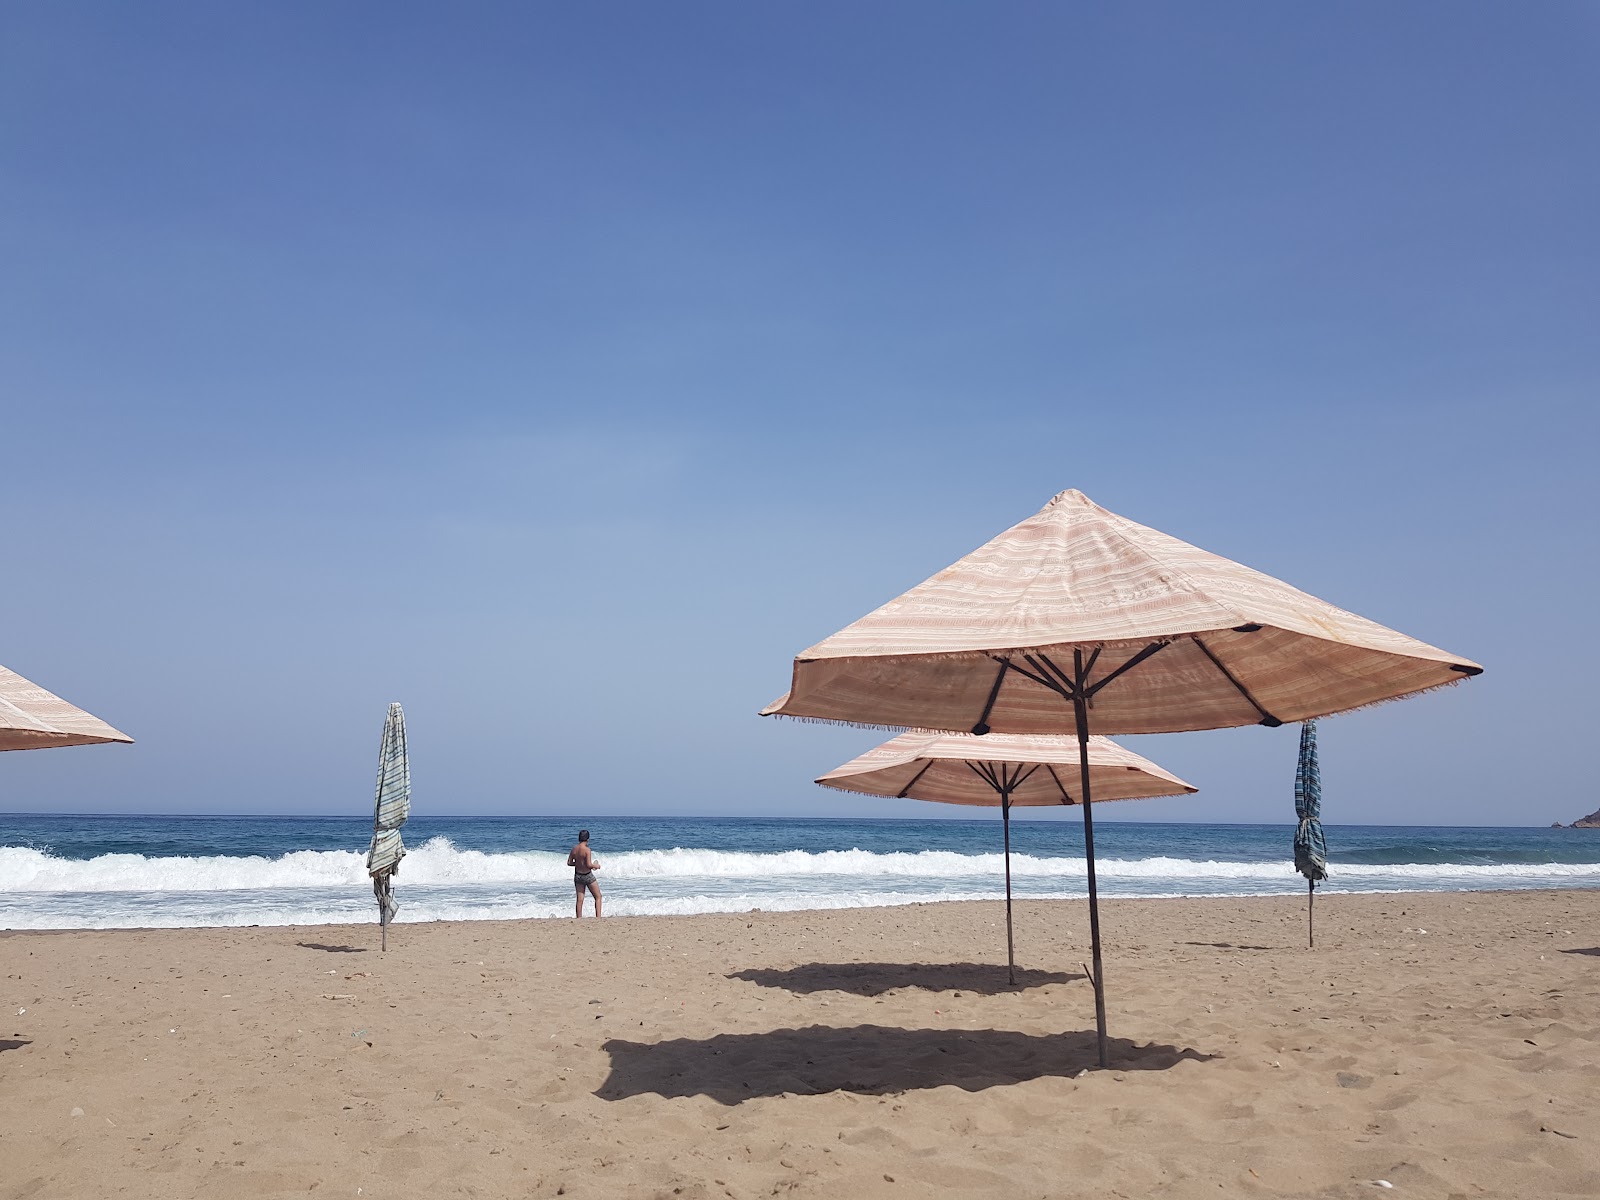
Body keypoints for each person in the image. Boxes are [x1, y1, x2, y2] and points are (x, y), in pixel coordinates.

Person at [567, 829, 602, 918]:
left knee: (580, 899)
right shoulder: (587, 850)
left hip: (578, 875)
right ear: (588, 839)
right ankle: (598, 917)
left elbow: (569, 863)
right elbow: (589, 864)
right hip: (587, 875)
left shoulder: (574, 849)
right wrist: (596, 866)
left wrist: (578, 863)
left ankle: (579, 918)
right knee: (598, 897)